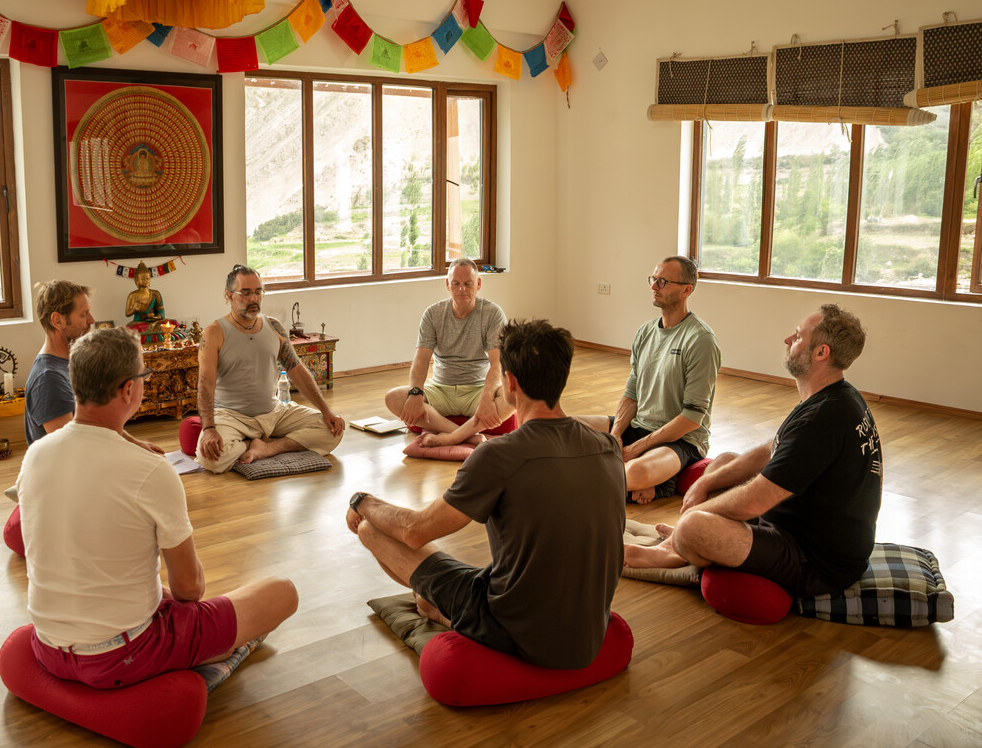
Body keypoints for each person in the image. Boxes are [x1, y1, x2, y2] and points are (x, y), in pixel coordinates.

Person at [18, 327, 297, 688]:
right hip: (122, 654)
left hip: (48, 648)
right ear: (129, 390)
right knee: (282, 591)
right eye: (143, 377)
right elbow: (189, 590)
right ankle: (207, 652)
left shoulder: (36, 455)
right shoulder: (150, 469)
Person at [348, 319, 625, 669]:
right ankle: (440, 606)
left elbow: (415, 530)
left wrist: (362, 501)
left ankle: (444, 614)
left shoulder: (498, 455)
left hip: (521, 632)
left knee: (372, 528)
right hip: (587, 634)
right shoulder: (607, 445)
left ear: (509, 383)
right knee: (480, 575)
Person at [624, 305, 883, 598]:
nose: (788, 340)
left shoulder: (823, 418)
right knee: (723, 464)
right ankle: (685, 543)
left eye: (797, 337)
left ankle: (677, 549)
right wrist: (706, 483)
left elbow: (754, 501)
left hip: (816, 562)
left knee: (693, 528)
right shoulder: (833, 396)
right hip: (797, 522)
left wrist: (689, 518)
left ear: (821, 353)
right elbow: (770, 450)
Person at [583, 256, 720, 504]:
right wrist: (615, 436)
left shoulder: (701, 340)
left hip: (681, 440)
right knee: (566, 427)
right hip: (640, 426)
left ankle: (659, 483)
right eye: (654, 279)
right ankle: (644, 485)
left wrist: (635, 450)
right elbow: (631, 393)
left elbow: (691, 419)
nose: (654, 286)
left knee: (636, 471)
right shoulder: (645, 331)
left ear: (687, 290)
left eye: (663, 281)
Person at [195, 265, 345, 474]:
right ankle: (249, 443)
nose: (254, 299)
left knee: (333, 431)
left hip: (273, 413)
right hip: (231, 416)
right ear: (229, 296)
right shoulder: (214, 333)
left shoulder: (274, 327)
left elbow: (296, 370)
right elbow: (205, 384)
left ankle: (267, 448)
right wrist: (209, 428)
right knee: (210, 459)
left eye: (258, 292)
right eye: (246, 293)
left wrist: (326, 410)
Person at [383, 258, 514, 448]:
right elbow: (421, 360)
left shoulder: (492, 313)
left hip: (476, 389)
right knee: (392, 398)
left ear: (478, 284)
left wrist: (487, 397)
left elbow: (497, 363)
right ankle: (465, 436)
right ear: (447, 285)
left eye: (468, 283)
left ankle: (451, 438)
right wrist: (415, 393)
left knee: (516, 395)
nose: (462, 289)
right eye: (456, 283)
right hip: (440, 390)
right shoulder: (433, 314)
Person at [25, 279, 161, 453]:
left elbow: (95, 423)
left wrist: (136, 444)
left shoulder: (74, 363)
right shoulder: (48, 378)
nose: (92, 320)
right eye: (83, 314)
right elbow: (73, 446)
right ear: (57, 320)